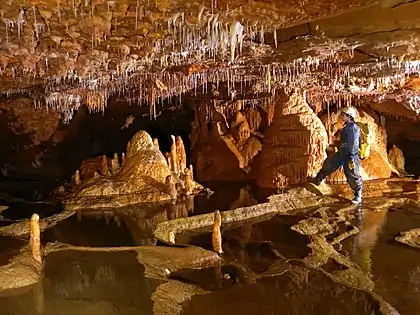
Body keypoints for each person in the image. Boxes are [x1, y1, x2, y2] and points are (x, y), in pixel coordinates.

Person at [308, 107, 363, 204]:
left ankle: (358, 195)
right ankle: (318, 179)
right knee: (329, 163)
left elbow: (353, 143)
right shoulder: (346, 127)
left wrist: (352, 156)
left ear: (349, 116)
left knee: (352, 174)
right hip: (342, 153)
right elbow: (344, 141)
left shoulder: (354, 128)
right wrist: (335, 143)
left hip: (350, 155)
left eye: (343, 115)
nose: (341, 116)